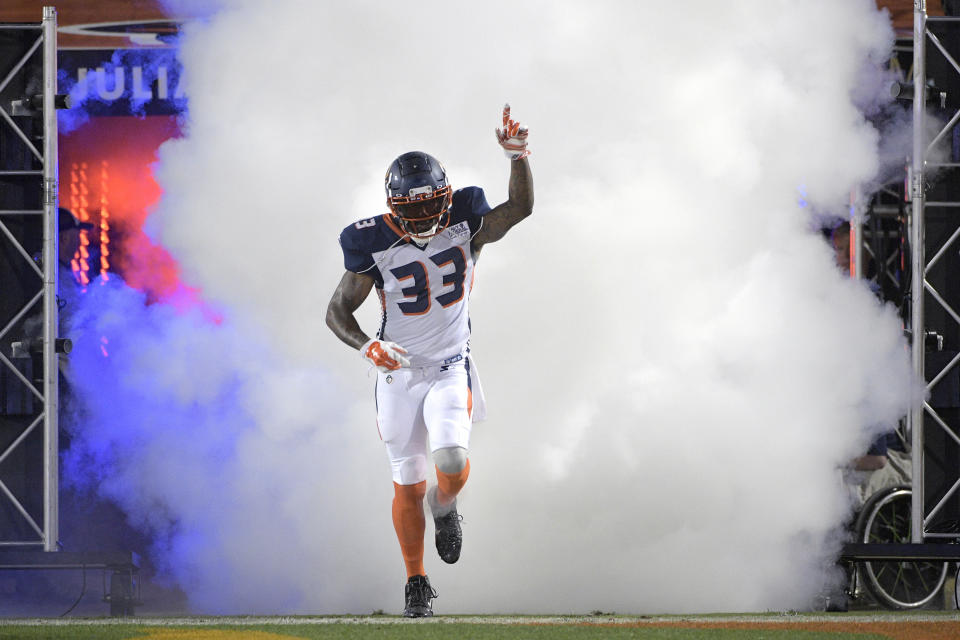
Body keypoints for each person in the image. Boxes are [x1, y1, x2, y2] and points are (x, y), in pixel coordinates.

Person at [325, 105, 534, 617]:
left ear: (446, 197)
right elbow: (336, 311)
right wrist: (366, 346)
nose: (421, 219)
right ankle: (416, 580)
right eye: (410, 209)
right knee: (407, 479)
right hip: (396, 373)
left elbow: (520, 209)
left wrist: (518, 156)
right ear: (391, 205)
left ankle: (446, 508)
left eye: (429, 206)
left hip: (447, 364)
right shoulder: (369, 241)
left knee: (451, 464)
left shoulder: (468, 218)